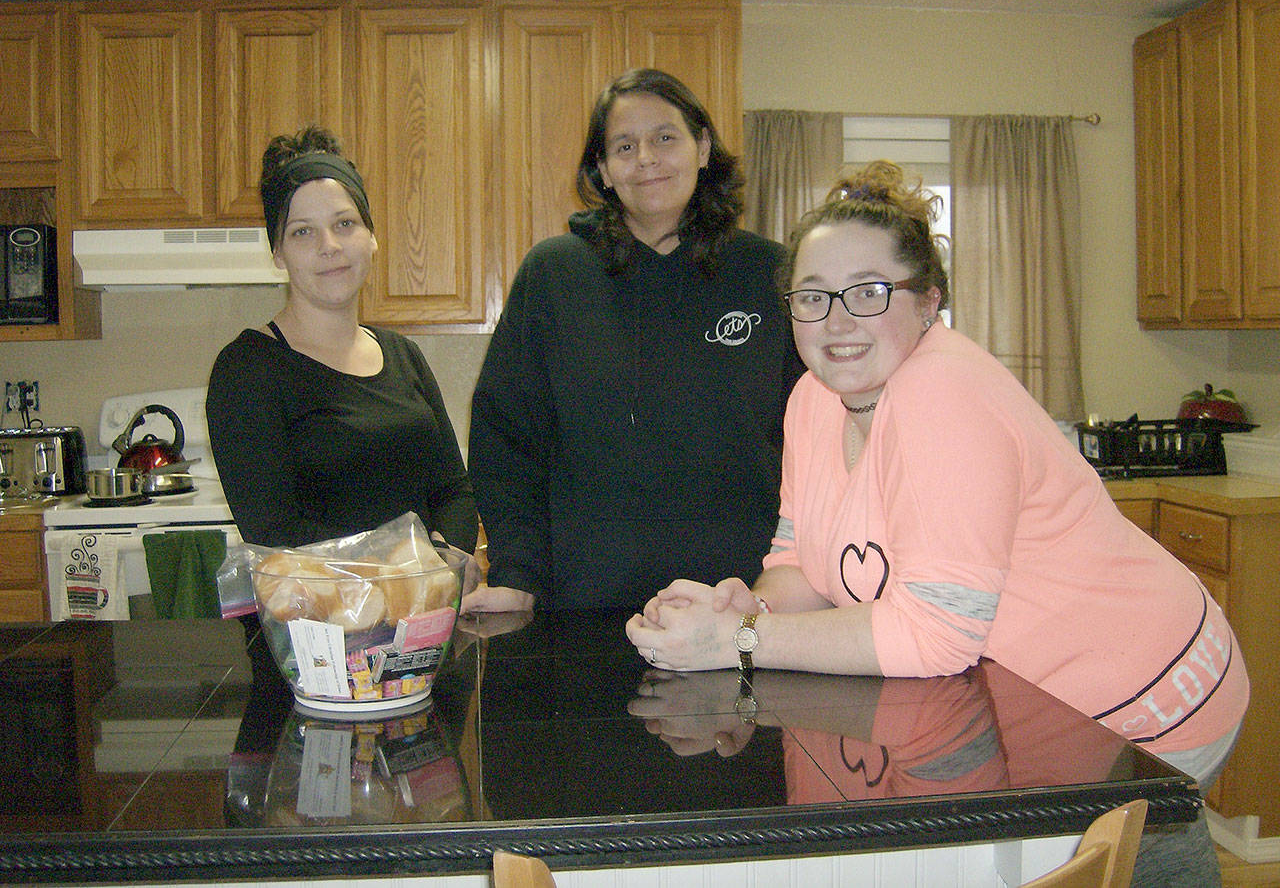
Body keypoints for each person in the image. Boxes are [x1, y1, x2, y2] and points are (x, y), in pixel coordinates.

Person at [626, 161, 1247, 885]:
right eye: (813, 297)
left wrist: (732, 640)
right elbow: (800, 557)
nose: (838, 320)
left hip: (1142, 709)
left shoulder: (943, 391)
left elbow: (938, 632)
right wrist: (751, 603)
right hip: (1025, 705)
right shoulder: (814, 403)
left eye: (869, 292)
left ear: (929, 302)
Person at [464, 68, 803, 613]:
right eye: (624, 145)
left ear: (702, 148)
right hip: (584, 603)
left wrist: (797, 573)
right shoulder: (554, 275)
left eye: (665, 137)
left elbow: (815, 437)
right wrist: (517, 571)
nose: (646, 157)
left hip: (742, 602)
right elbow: (505, 437)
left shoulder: (771, 273)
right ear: (602, 168)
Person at [207, 124, 478, 561]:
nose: (329, 246)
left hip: (425, 616)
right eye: (302, 232)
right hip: (321, 624)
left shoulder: (403, 356)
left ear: (371, 237)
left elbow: (454, 490)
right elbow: (275, 531)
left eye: (344, 223)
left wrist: (447, 556)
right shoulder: (247, 370)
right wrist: (401, 569)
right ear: (278, 252)